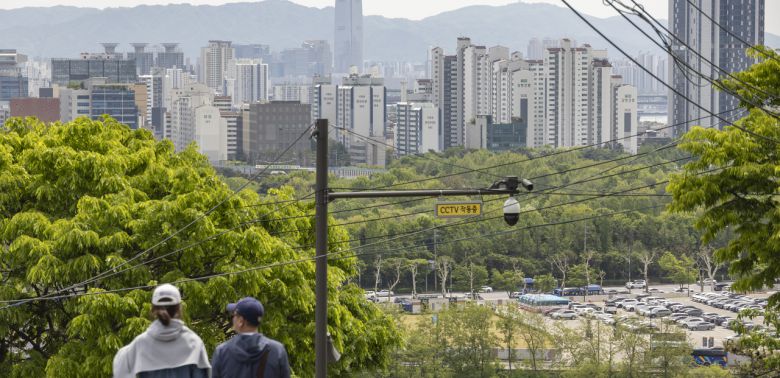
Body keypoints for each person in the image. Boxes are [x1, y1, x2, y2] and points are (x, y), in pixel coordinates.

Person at [113, 284, 211, 378]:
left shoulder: (140, 344)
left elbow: (121, 370)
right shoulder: (193, 342)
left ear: (153, 309)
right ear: (179, 308)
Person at [211, 297, 291, 378]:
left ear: (241, 321)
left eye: (234, 315)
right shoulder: (277, 350)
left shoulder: (222, 352)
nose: (233, 318)